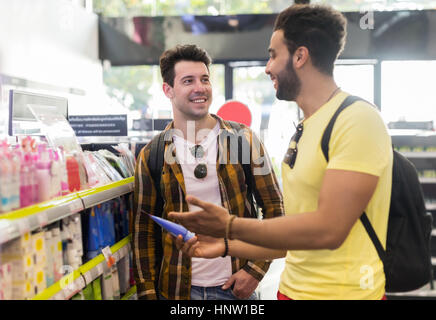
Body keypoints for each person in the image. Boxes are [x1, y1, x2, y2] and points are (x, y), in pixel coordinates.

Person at [170, 4, 393, 300]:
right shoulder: (305, 127)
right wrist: (226, 245)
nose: (267, 66)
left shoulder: (357, 119)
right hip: (290, 292)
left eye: (274, 54)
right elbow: (290, 238)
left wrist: (231, 226)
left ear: (300, 56)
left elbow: (328, 230)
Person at [132, 44, 284, 300]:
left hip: (235, 287)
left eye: (204, 79)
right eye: (188, 81)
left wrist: (255, 270)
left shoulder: (243, 141)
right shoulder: (153, 154)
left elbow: (274, 209)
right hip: (178, 290)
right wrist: (147, 293)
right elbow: (143, 230)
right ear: (168, 90)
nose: (200, 88)